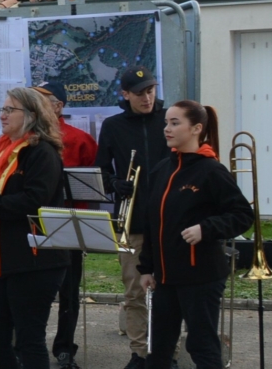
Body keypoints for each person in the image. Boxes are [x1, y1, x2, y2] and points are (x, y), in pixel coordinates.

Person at [0, 87, 70, 369]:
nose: (3, 115)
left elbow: (33, 202)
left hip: (34, 259)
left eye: (10, 110)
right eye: (3, 109)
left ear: (31, 116)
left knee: (29, 339)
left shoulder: (42, 152)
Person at [138, 101, 253, 369]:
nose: (167, 128)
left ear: (196, 128)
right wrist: (146, 268)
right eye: (166, 122)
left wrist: (206, 228)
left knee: (201, 345)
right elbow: (151, 223)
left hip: (201, 276)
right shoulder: (161, 170)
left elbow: (241, 215)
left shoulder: (211, 170)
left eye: (175, 123)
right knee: (159, 349)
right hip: (165, 278)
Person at [95, 66, 169, 369]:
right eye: (140, 93)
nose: (147, 98)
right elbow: (102, 169)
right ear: (125, 94)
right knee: (135, 291)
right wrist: (114, 184)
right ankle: (139, 353)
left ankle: (168, 353)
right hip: (133, 220)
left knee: (168, 293)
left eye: (151, 90)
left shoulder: (168, 119)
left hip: (168, 218)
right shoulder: (113, 126)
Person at [33, 82, 98, 369]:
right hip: (33, 223)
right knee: (31, 290)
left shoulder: (81, 139)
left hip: (69, 224)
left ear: (59, 107)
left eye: (43, 99)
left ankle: (64, 347)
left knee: (69, 291)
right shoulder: (25, 139)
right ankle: (29, 342)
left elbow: (95, 186)